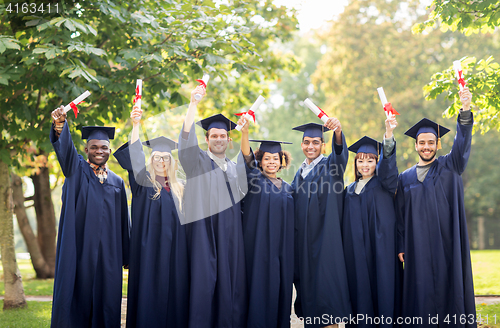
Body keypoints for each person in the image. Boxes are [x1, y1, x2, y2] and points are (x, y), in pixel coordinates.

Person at [396, 87, 475, 327]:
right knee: (420, 295)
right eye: (422, 143)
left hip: (447, 243)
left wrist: (465, 109)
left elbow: (461, 147)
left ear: (437, 144)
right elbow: (399, 216)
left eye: (431, 142)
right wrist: (401, 245)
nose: (426, 146)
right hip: (417, 247)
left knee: (449, 289)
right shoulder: (405, 177)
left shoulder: (450, 166)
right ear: (416, 145)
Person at [49, 106, 130, 328]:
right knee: (77, 297)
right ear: (86, 149)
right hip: (79, 250)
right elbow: (65, 151)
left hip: (108, 256)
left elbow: (124, 221)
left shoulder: (117, 182)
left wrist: (126, 255)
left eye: (104, 147)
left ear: (110, 151)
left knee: (107, 301)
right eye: (94, 147)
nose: (99, 151)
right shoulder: (76, 170)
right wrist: (59, 125)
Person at [113, 105, 189, 327]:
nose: (161, 161)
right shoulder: (143, 184)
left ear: (171, 161)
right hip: (148, 256)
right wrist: (136, 125)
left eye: (166, 158)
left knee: (175, 300)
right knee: (149, 300)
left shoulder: (181, 189)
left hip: (176, 256)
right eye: (156, 157)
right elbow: (135, 158)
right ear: (152, 160)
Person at [178, 85, 248, 328]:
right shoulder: (196, 162)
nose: (219, 139)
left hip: (231, 237)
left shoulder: (235, 168)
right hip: (202, 235)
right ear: (206, 139)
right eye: (214, 136)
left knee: (230, 288)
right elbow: (186, 139)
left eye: (223, 136)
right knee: (203, 286)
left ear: (229, 140)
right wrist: (192, 104)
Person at [342, 115, 402, 328]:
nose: (365, 164)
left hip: (381, 252)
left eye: (370, 160)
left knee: (382, 291)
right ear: (355, 163)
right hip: (355, 256)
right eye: (360, 160)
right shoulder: (348, 191)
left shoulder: (384, 183)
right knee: (359, 295)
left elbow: (389, 166)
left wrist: (388, 134)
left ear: (377, 162)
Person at [292, 120, 352, 328]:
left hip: (326, 246)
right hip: (305, 250)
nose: (311, 146)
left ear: (323, 145)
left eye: (316, 142)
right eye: (307, 142)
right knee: (311, 306)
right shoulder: (298, 174)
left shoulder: (331, 166)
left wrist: (338, 132)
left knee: (328, 306)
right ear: (301, 145)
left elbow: (340, 155)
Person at [238, 117, 294, 328]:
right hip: (257, 251)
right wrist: (245, 134)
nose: (271, 162)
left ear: (282, 161)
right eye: (267, 158)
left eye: (275, 158)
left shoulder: (289, 188)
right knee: (258, 292)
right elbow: (246, 157)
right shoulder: (254, 180)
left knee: (280, 292)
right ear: (260, 161)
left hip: (282, 253)